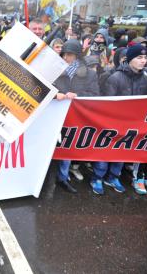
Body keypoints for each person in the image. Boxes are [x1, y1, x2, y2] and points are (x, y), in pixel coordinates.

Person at [91, 44, 147, 195]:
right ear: (129, 59)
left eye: (145, 57)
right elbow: (107, 104)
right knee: (105, 152)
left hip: (132, 124)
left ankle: (113, 177)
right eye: (139, 57)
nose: (143, 61)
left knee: (122, 153)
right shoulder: (116, 78)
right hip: (113, 124)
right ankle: (97, 177)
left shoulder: (144, 78)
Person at [54, 39, 100, 193]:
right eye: (64, 54)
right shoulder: (54, 71)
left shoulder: (90, 74)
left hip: (77, 117)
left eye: (70, 55)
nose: (66, 58)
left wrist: (78, 95)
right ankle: (44, 176)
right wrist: (55, 94)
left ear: (78, 56)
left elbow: (95, 95)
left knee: (67, 149)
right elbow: (44, 89)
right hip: (56, 117)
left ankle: (62, 177)